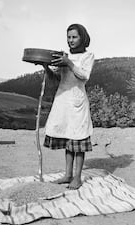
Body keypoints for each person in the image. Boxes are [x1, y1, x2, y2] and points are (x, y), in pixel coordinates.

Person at [42, 24, 95, 190]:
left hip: (77, 101)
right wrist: (46, 67)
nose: (70, 40)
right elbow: (57, 80)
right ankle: (67, 175)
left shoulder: (88, 56)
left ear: (82, 38)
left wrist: (69, 63)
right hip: (63, 100)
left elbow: (84, 76)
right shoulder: (64, 57)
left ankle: (77, 178)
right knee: (68, 139)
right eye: (69, 37)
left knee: (78, 139)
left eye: (74, 37)